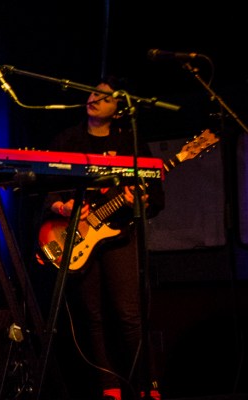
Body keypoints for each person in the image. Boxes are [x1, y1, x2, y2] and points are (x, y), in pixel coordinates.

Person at [44, 77, 163, 400]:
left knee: (129, 313)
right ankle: (106, 386)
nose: (94, 98)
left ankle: (146, 385)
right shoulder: (67, 140)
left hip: (121, 236)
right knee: (90, 314)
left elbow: (156, 198)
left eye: (104, 96)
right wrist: (62, 205)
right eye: (93, 92)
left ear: (119, 109)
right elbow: (45, 190)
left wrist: (142, 200)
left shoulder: (130, 143)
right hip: (80, 235)